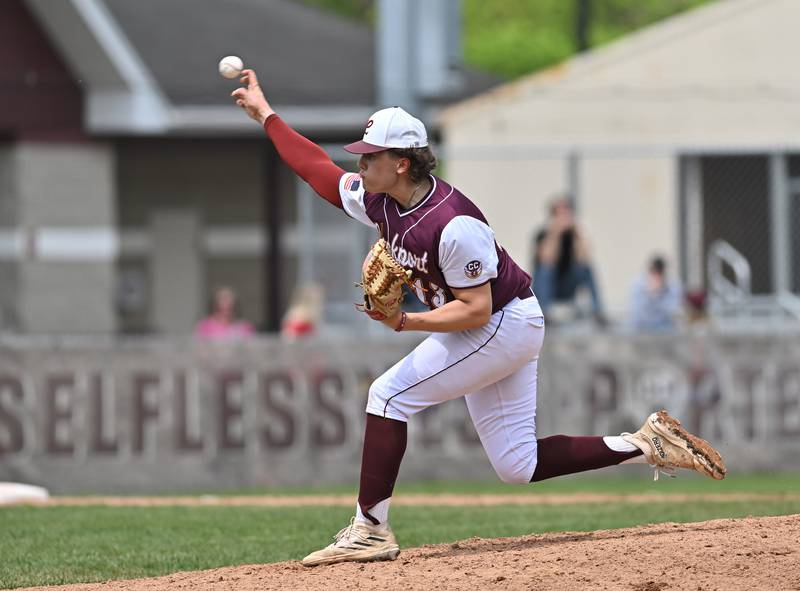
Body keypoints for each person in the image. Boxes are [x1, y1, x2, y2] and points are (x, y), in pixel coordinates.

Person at [231, 70, 727, 567]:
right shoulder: (382, 200)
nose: (360, 161)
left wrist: (404, 323)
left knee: (387, 396)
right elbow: (318, 170)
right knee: (516, 464)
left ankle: (370, 528)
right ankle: (645, 443)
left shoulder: (453, 225)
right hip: (497, 325)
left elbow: (476, 309)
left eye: (371, 155)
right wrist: (267, 116)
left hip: (503, 324)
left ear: (401, 164)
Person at [532, 196, 605, 323]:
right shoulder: (542, 234)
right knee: (546, 270)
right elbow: (546, 260)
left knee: (585, 268)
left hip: (567, 286)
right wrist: (555, 233)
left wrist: (577, 232)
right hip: (546, 288)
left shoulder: (574, 235)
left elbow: (585, 257)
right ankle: (545, 313)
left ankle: (598, 312)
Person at [629, 256, 683, 331]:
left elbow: (673, 309)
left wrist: (660, 292)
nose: (656, 276)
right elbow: (637, 311)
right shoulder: (638, 284)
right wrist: (650, 294)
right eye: (654, 272)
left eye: (659, 273)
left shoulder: (672, 284)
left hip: (665, 327)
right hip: (642, 327)